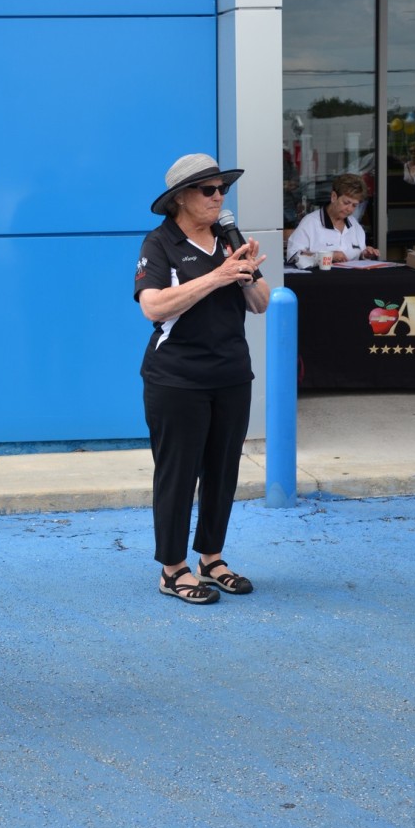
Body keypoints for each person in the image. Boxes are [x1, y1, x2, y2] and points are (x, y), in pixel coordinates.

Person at [134, 153, 269, 604]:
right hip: (177, 378)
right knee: (178, 473)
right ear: (180, 197)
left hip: (231, 373)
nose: (219, 197)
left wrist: (244, 274)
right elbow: (152, 306)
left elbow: (261, 303)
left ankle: (211, 559)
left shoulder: (229, 240)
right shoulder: (160, 243)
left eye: (222, 189)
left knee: (223, 471)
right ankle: (173, 569)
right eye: (208, 190)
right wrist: (218, 276)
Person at [285, 172, 380, 265]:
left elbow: (358, 256)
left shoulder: (354, 224)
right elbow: (293, 256)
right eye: (346, 203)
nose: (349, 209)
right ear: (334, 197)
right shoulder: (311, 222)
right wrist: (327, 256)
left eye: (354, 205)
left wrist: (365, 255)